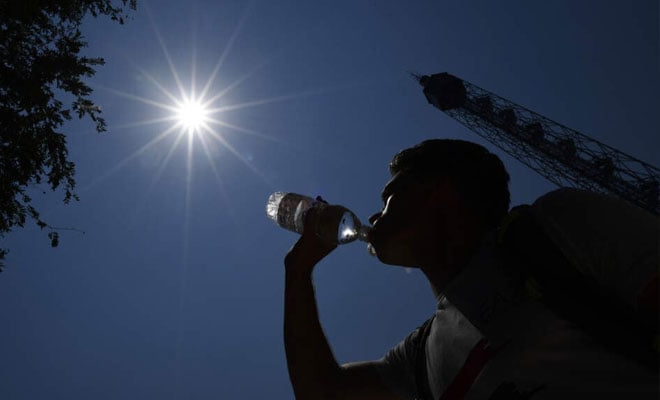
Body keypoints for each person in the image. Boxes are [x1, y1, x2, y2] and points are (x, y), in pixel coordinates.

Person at [282, 139, 659, 400]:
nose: (374, 215)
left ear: (437, 190)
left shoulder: (557, 226)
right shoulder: (420, 355)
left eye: (389, 196)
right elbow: (323, 392)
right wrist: (297, 270)